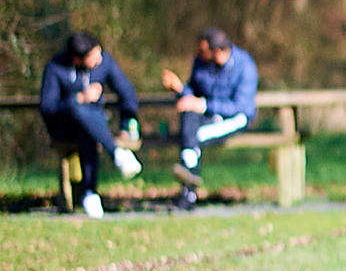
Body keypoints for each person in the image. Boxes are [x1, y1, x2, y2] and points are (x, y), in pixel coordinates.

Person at [38, 32, 145, 219]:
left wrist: (127, 122)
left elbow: (126, 91)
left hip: (95, 126)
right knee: (79, 111)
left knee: (88, 128)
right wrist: (78, 99)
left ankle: (90, 194)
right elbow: (48, 108)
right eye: (94, 57)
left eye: (99, 53)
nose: (99, 59)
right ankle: (115, 157)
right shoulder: (56, 68)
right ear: (78, 59)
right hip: (63, 127)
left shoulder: (104, 63)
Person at [161, 27, 258, 211]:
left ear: (217, 51)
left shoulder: (245, 66)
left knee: (192, 137)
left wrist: (203, 105)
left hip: (235, 119)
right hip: (208, 116)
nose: (198, 55)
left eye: (202, 51)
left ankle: (187, 187)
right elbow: (193, 94)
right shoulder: (202, 62)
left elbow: (240, 107)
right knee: (188, 112)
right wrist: (179, 88)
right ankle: (188, 181)